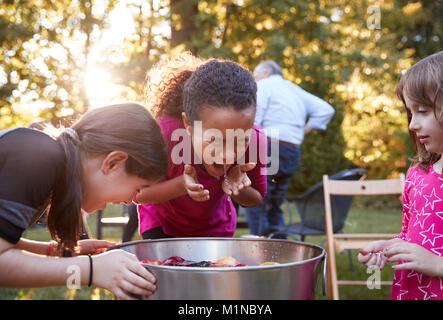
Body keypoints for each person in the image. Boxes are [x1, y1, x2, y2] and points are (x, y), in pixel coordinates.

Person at [0, 103, 168, 300]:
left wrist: (55, 251)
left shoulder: (45, 158)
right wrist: (91, 270)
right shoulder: (38, 156)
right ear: (113, 163)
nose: (132, 200)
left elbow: (4, 243)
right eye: (137, 188)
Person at [135, 52, 267, 239]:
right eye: (214, 139)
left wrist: (238, 187)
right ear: (188, 124)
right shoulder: (163, 134)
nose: (227, 154)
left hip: (216, 226)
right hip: (163, 225)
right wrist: (182, 185)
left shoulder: (256, 139)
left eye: (240, 140)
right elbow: (139, 194)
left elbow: (256, 197)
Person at [358, 48, 443, 300]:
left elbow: (431, 256)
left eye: (423, 110)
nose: (412, 124)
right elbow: (411, 235)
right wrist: (388, 248)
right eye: (411, 112)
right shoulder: (417, 175)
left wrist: (438, 264)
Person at [245, 60, 335, 237]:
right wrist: (303, 131)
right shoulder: (295, 90)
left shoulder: (264, 85)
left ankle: (261, 249)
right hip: (292, 151)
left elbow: (255, 119)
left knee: (257, 201)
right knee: (275, 203)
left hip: (270, 147)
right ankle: (280, 250)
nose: (255, 80)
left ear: (265, 73)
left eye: (256, 76)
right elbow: (326, 110)